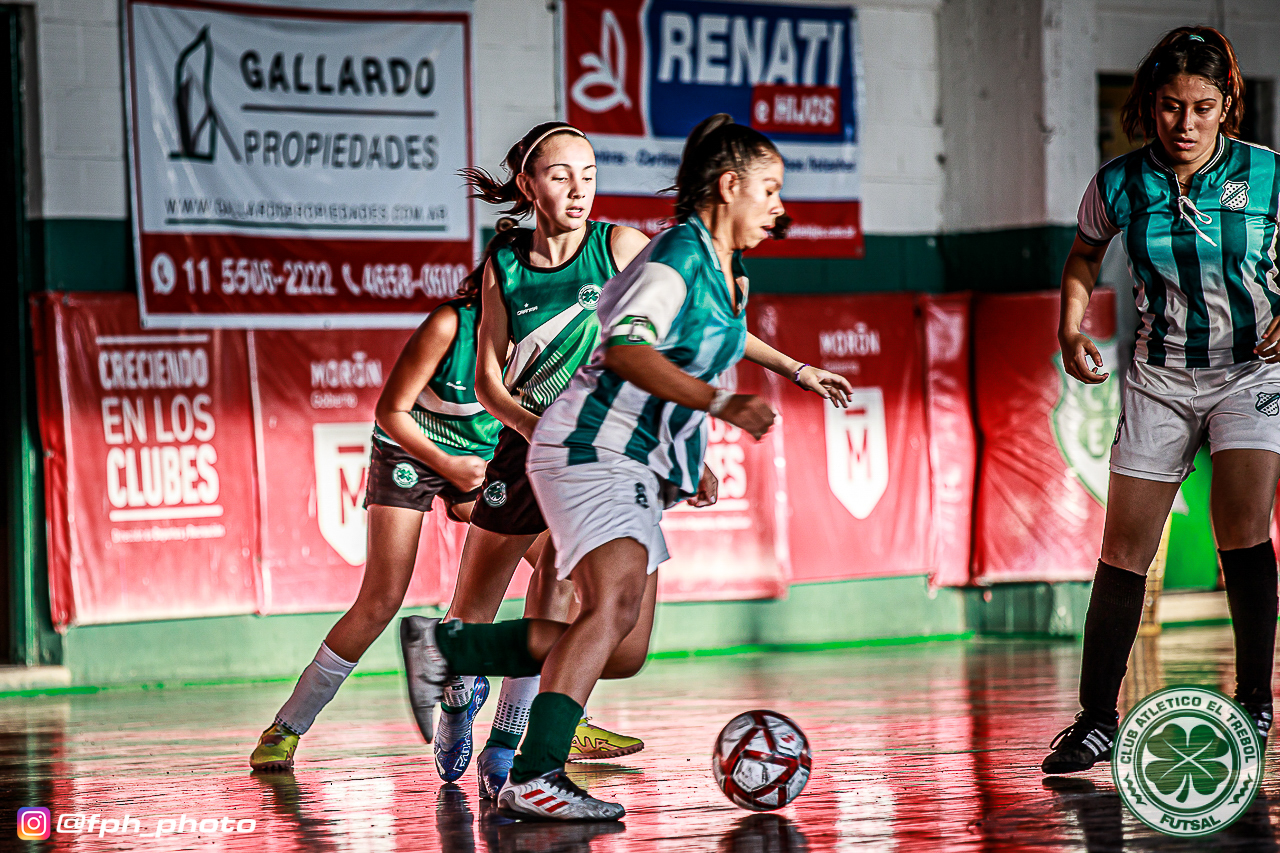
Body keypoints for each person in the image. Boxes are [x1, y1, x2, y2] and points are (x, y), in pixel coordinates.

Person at [401, 113, 853, 820]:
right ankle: (522, 755)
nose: (781, 207)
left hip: (622, 453)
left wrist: (736, 414)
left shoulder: (708, 268)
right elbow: (631, 353)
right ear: (729, 186)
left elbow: (684, 351)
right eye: (770, 189)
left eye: (589, 174)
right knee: (592, 605)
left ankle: (458, 655)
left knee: (622, 643)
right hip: (579, 446)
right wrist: (724, 407)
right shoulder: (667, 256)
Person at [1043, 26, 1280, 775]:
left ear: (1226, 106)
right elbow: (1084, 253)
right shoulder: (1119, 182)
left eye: (1201, 107)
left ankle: (1254, 702)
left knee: (1241, 526)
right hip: (1161, 377)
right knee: (1123, 549)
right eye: (1171, 106)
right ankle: (1094, 719)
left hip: (1252, 372)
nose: (1184, 124)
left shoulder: (1270, 176)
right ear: (1150, 104)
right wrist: (1069, 321)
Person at [424, 122, 651, 795]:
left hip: (591, 462)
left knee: (557, 590)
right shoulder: (506, 265)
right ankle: (453, 692)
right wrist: (537, 429)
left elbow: (673, 326)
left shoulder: (620, 247)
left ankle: (510, 739)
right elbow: (492, 381)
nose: (579, 189)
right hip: (523, 451)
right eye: (561, 174)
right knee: (472, 609)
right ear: (528, 184)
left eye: (589, 173)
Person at [249, 253, 504, 772]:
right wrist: (451, 467)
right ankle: (286, 728)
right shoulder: (451, 323)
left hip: (482, 459)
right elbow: (391, 411)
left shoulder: (547, 335)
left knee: (554, 563)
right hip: (412, 449)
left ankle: (495, 700)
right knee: (382, 598)